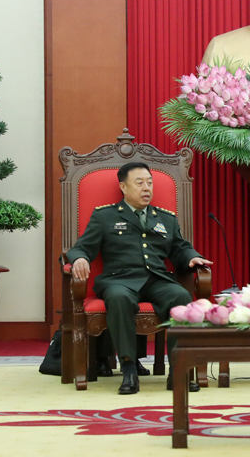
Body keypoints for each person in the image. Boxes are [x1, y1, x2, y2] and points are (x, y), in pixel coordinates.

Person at [68, 162, 213, 395]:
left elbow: (180, 248)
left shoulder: (165, 218)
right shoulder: (105, 216)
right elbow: (81, 247)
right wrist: (79, 259)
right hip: (119, 280)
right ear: (123, 187)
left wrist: (192, 257)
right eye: (140, 183)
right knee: (119, 298)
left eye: (150, 183)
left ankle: (179, 371)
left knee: (180, 296)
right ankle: (129, 370)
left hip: (156, 279)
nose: (147, 188)